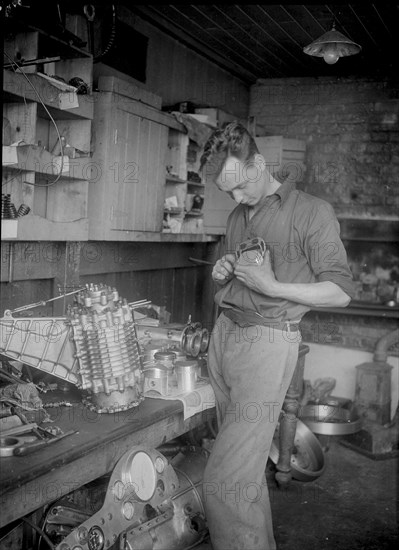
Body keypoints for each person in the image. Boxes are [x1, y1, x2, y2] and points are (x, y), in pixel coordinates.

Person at [199, 122, 354, 550]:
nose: (236, 199)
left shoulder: (311, 212)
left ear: (259, 164)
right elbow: (231, 276)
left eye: (240, 186)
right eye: (226, 192)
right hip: (225, 338)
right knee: (244, 476)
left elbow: (340, 291)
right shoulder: (237, 215)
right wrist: (223, 272)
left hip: (267, 345)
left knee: (223, 483)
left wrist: (274, 287)